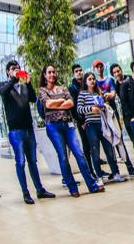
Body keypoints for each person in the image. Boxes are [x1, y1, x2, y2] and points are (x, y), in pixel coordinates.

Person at [38, 65, 103, 197]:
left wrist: (57, 102)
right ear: (44, 75)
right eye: (49, 72)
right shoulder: (42, 90)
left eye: (53, 72)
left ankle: (92, 185)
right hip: (53, 126)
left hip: (68, 124)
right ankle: (72, 188)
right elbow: (47, 104)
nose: (52, 74)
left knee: (80, 154)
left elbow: (71, 103)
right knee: (63, 157)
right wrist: (62, 101)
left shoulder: (63, 88)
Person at [0, 61, 56, 204]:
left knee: (33, 162)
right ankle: (25, 192)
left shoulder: (23, 87)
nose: (16, 71)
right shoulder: (4, 86)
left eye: (18, 69)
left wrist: (29, 83)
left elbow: (32, 98)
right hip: (16, 131)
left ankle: (40, 189)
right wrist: (13, 78)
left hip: (29, 129)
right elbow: (3, 92)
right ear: (8, 72)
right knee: (20, 162)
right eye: (13, 69)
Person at [77, 72, 126, 183]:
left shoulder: (99, 93)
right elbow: (79, 109)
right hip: (91, 125)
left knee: (109, 149)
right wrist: (90, 109)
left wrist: (103, 106)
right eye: (90, 79)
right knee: (95, 151)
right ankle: (99, 177)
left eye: (93, 79)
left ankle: (116, 173)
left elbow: (106, 107)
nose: (92, 81)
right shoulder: (82, 94)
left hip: (103, 123)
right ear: (86, 81)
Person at [67, 64, 97, 182]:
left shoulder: (86, 84)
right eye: (76, 71)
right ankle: (90, 170)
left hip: (92, 118)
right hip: (83, 121)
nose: (79, 72)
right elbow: (73, 108)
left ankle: (96, 168)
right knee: (87, 146)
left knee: (94, 145)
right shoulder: (72, 88)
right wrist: (81, 121)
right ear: (73, 74)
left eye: (80, 70)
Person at [110, 63, 134, 177]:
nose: (117, 74)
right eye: (114, 73)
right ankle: (133, 168)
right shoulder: (115, 86)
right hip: (124, 117)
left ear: (121, 70)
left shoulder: (130, 79)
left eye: (118, 71)